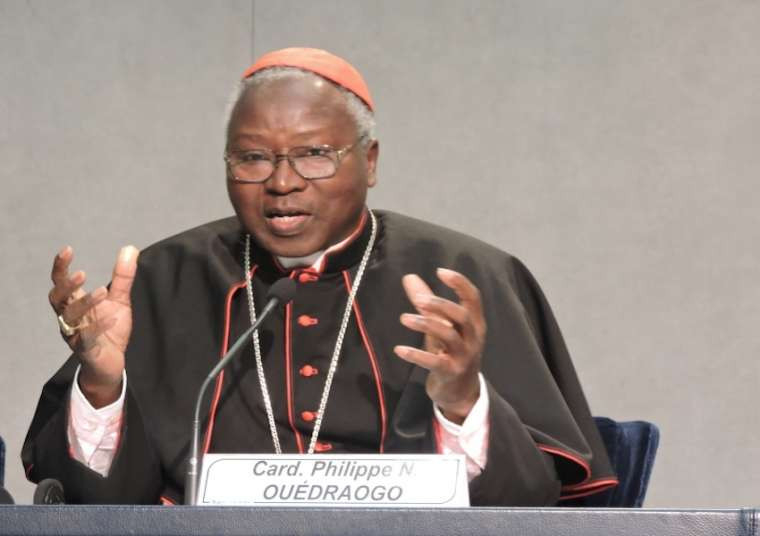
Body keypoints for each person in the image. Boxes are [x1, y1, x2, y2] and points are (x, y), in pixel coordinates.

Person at [23, 48, 616, 505]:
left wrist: (463, 401)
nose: (282, 183)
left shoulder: (467, 275)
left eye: (314, 155)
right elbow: (92, 506)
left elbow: (530, 500)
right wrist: (101, 385)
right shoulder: (165, 278)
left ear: (370, 161)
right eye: (253, 158)